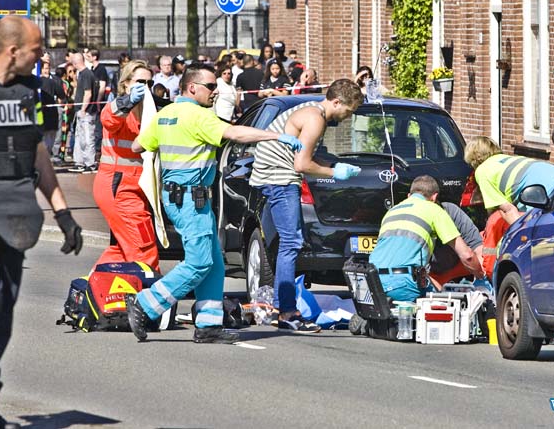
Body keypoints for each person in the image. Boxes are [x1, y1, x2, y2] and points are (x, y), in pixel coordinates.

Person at [126, 63, 304, 344]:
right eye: (211, 86)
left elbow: (138, 146)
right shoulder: (198, 116)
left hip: (181, 197)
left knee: (215, 265)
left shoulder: (166, 115)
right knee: (199, 263)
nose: (216, 91)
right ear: (192, 87)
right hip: (190, 198)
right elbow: (236, 134)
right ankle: (145, 304)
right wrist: (276, 135)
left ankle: (209, 325)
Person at [0, 16, 82, 428]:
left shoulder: (35, 93)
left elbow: (40, 155)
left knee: (5, 307)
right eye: (37, 48)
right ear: (13, 50)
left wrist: (63, 212)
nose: (42, 54)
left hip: (17, 210)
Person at [248, 79, 363, 332]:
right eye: (349, 111)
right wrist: (335, 172)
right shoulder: (315, 118)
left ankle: (283, 306)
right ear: (336, 102)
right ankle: (287, 311)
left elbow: (303, 156)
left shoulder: (312, 110)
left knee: (289, 242)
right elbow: (302, 165)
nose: (347, 118)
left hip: (275, 175)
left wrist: (330, 164)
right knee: (291, 242)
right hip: (279, 178)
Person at [369, 176, 485, 302]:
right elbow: (467, 255)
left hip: (373, 281)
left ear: (409, 196)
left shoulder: (391, 212)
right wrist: (480, 275)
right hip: (406, 282)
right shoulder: (434, 209)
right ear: (434, 197)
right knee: (444, 306)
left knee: (434, 287)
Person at [92, 60, 160, 271]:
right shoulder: (121, 107)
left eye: (150, 83)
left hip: (133, 187)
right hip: (119, 185)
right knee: (143, 247)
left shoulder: (149, 111)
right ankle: (147, 300)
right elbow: (108, 119)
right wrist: (128, 101)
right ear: (126, 83)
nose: (146, 87)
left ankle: (91, 292)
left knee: (122, 250)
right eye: (140, 82)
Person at [464, 136, 554, 247]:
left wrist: (526, 240)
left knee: (496, 220)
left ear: (472, 158)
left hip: (549, 198)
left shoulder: (482, 171)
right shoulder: (510, 158)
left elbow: (507, 210)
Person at [68, 49, 99, 173]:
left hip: (85, 112)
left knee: (87, 138)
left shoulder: (86, 74)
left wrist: (82, 109)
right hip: (82, 111)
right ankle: (80, 162)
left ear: (75, 63)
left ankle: (90, 163)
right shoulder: (84, 74)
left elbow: (88, 94)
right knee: (80, 137)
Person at [38, 53, 66, 156]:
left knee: (48, 138)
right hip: (49, 115)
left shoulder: (53, 81)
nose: (46, 70)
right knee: (49, 139)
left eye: (47, 68)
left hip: (47, 115)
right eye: (44, 68)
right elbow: (62, 96)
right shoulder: (50, 82)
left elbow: (62, 96)